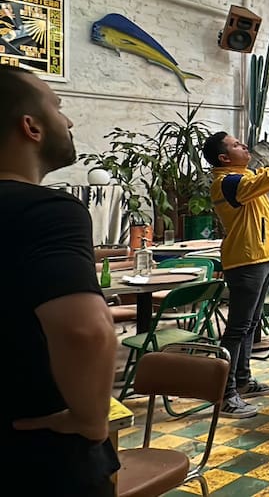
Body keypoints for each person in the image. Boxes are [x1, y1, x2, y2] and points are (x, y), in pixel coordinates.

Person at [0, 64, 120, 495]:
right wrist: (91, 419)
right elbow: (86, 331)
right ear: (30, 127)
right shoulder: (47, 211)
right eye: (57, 106)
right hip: (37, 458)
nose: (67, 121)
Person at [203, 119, 269, 418]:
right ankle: (225, 393)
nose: (244, 146)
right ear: (224, 158)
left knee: (250, 323)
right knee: (238, 328)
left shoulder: (242, 178)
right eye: (236, 145)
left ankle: (243, 380)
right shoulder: (230, 183)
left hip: (260, 257)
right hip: (246, 260)